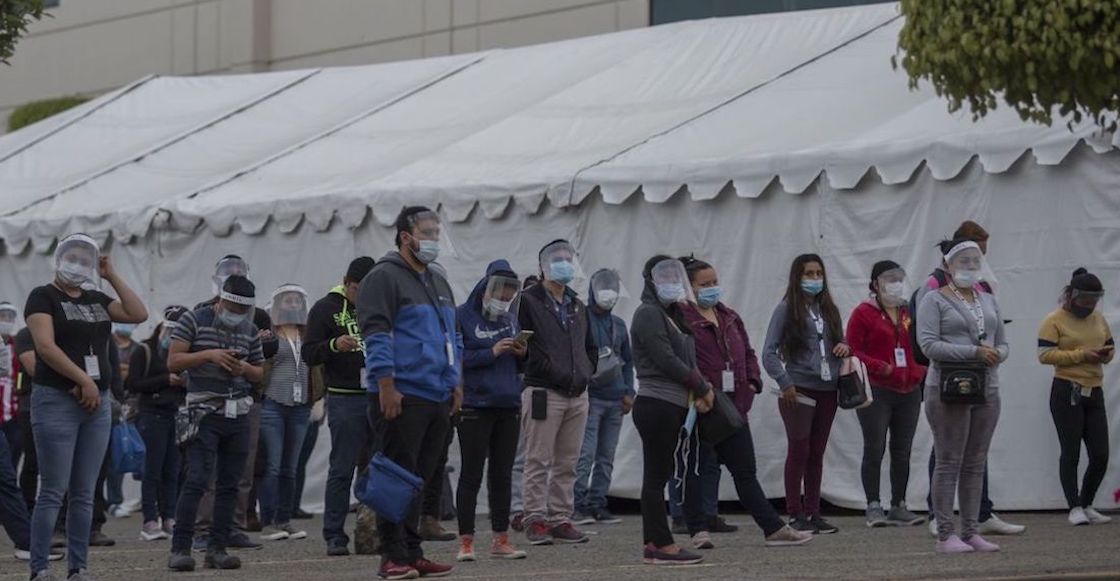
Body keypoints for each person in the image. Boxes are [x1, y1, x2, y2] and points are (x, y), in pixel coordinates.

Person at [24, 233, 148, 581]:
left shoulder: (96, 298)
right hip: (57, 400)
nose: (77, 265)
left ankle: (78, 568)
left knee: (84, 492)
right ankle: (40, 568)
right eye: (72, 257)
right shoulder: (43, 296)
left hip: (97, 405)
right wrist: (84, 380)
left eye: (84, 260)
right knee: (53, 489)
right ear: (58, 258)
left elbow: (138, 313)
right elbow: (46, 347)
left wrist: (111, 275)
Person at [678, 256, 813, 551]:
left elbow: (749, 353)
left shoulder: (729, 316)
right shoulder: (683, 319)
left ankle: (773, 528)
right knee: (696, 469)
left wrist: (753, 382)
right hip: (702, 404)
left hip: (734, 407)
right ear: (690, 288)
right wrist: (700, 389)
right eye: (704, 284)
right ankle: (698, 529)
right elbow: (681, 360)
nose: (712, 288)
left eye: (714, 282)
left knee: (745, 470)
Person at [358, 206, 462, 580]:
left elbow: (453, 336)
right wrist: (385, 385)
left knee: (421, 477)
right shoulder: (383, 277)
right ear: (406, 237)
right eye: (427, 233)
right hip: (402, 393)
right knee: (396, 476)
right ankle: (392, 555)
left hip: (437, 393)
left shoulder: (437, 280)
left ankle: (413, 552)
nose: (434, 239)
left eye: (437, 233)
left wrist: (456, 382)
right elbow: (376, 334)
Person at [915, 222, 1024, 537]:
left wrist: (997, 354)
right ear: (949, 264)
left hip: (986, 385)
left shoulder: (986, 296)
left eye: (978, 261)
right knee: (949, 457)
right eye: (966, 261)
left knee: (975, 459)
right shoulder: (933, 293)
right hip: (949, 384)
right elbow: (928, 344)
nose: (972, 266)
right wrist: (974, 353)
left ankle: (974, 525)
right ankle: (942, 523)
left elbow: (1001, 341)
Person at [167, 275, 265, 572]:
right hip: (202, 412)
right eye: (233, 308)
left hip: (237, 412)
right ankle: (180, 548)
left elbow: (260, 373)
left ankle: (217, 548)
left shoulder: (250, 330)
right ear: (221, 300)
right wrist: (209, 355)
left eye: (243, 310)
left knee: (229, 484)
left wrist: (243, 367)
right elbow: (173, 361)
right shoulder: (193, 320)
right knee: (197, 478)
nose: (237, 315)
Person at [192, 255, 276, 551]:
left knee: (243, 469)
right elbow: (182, 354)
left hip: (246, 399)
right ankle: (203, 528)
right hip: (208, 398)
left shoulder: (258, 316)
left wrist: (246, 366)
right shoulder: (201, 313)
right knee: (208, 469)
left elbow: (267, 354)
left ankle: (235, 526)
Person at [762, 253, 850, 535]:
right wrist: (785, 382)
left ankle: (814, 512)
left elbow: (840, 342)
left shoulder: (829, 310)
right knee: (799, 449)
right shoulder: (786, 309)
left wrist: (844, 347)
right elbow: (769, 352)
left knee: (817, 452)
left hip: (828, 388)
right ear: (797, 277)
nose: (815, 279)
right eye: (809, 274)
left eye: (818, 274)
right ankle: (794, 512)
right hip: (798, 389)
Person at [516, 239, 596, 547]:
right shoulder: (528, 300)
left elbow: (590, 346)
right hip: (544, 390)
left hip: (578, 392)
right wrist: (553, 370)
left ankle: (561, 517)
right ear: (543, 266)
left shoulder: (577, 304)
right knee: (538, 458)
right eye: (557, 259)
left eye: (568, 258)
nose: (564, 263)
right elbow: (524, 346)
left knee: (568, 460)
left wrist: (586, 371)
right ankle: (535, 517)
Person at [630, 256, 708, 566]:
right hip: (656, 402)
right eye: (664, 276)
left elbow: (688, 358)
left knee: (658, 475)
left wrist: (700, 386)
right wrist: (701, 386)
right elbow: (665, 359)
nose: (672, 282)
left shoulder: (675, 314)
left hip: (673, 403)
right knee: (655, 477)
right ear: (650, 280)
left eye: (676, 276)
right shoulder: (648, 313)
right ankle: (662, 544)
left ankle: (653, 542)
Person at [454, 260, 528, 562]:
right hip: (474, 405)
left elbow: (520, 364)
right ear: (486, 288)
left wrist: (522, 353)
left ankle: (501, 539)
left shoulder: (510, 320)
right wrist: (491, 352)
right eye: (500, 293)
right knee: (471, 474)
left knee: (502, 475)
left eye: (509, 295)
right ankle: (466, 541)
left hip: (508, 404)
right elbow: (456, 357)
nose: (504, 300)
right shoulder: (462, 316)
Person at [301, 256, 375, 557]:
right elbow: (308, 353)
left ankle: (373, 531)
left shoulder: (379, 306)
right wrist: (334, 345)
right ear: (346, 283)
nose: (362, 296)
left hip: (377, 394)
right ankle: (334, 534)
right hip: (345, 397)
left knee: (377, 466)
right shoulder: (325, 309)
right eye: (357, 289)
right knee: (342, 467)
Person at [846, 261, 926, 528]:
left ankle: (899, 505)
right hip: (877, 390)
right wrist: (879, 366)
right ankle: (873, 504)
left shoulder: (906, 311)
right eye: (889, 279)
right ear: (875, 284)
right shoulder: (863, 313)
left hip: (908, 389)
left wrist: (919, 371)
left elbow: (918, 344)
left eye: (899, 278)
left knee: (902, 449)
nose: (895, 283)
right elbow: (852, 350)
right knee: (875, 447)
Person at [1038, 268, 1114, 526]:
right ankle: (1074, 506)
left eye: (1095, 300)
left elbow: (1110, 345)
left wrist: (1106, 354)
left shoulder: (1099, 318)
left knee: (1100, 454)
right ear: (1072, 295)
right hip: (1066, 389)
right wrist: (1082, 354)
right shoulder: (1054, 320)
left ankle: (1087, 502)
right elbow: (1044, 355)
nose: (1090, 305)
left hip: (1094, 389)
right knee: (1070, 451)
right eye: (1085, 300)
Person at [573, 269, 633, 526]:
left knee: (606, 456)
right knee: (585, 455)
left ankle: (598, 503)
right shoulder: (581, 318)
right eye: (603, 289)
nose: (609, 295)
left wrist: (629, 391)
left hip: (615, 399)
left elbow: (628, 361)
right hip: (591, 397)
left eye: (613, 289)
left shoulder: (618, 324)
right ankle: (576, 504)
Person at [127, 307, 188, 542]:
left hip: (176, 414)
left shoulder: (186, 351)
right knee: (152, 470)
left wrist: (183, 382)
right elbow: (133, 383)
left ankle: (169, 516)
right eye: (171, 331)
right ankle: (149, 520)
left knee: (172, 470)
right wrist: (165, 379)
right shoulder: (144, 350)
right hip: (151, 415)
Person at [258, 285, 314, 542]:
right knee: (273, 465)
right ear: (278, 305)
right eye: (288, 301)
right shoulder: (269, 334)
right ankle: (268, 521)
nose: (293, 305)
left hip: (301, 406)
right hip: (273, 404)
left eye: (297, 301)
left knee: (291, 467)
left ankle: (284, 519)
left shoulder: (308, 334)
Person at [106, 322, 140, 518]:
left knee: (118, 455)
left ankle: (114, 501)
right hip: (103, 405)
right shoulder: (106, 343)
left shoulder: (137, 348)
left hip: (127, 409)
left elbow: (133, 374)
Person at [14, 326, 38, 510]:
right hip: (28, 405)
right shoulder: (26, 335)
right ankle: (26, 505)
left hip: (56, 404)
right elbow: (32, 369)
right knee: (31, 460)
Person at [0, 303, 21, 472]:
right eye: (3, 316)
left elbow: (20, 374)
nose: (6, 320)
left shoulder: (17, 346)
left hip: (12, 411)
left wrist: (18, 388)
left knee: (13, 451)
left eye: (10, 317)